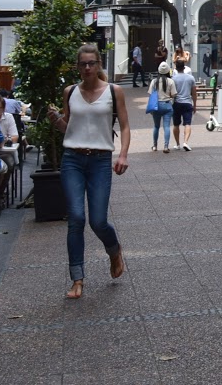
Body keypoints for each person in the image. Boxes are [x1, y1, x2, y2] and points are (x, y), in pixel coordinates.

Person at [47, 43, 129, 299]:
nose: (87, 68)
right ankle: (77, 279)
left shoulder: (114, 91)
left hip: (100, 161)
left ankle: (114, 250)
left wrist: (123, 155)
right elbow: (69, 127)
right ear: (78, 66)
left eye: (91, 63)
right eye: (82, 64)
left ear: (99, 64)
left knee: (98, 221)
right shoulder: (70, 92)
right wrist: (56, 120)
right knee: (75, 218)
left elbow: (125, 126)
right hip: (72, 159)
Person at [147, 62, 176, 153]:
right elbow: (174, 94)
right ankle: (166, 146)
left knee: (156, 126)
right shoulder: (170, 81)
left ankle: (155, 146)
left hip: (156, 106)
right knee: (166, 126)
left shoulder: (154, 81)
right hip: (167, 105)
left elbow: (150, 94)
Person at [171, 58, 197, 151]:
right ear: (184, 67)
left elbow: (171, 93)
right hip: (187, 103)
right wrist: (194, 105)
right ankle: (185, 142)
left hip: (176, 103)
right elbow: (194, 93)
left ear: (176, 68)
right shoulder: (191, 78)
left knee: (176, 124)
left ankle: (177, 144)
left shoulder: (173, 79)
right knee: (187, 123)